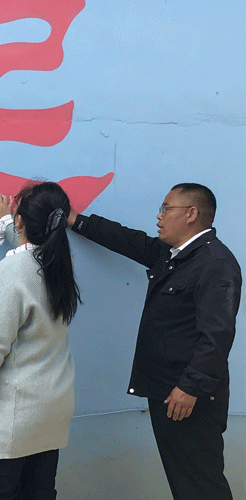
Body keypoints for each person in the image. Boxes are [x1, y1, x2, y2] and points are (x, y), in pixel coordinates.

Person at [67, 182, 241, 500]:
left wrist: (190, 387)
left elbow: (217, 335)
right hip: (169, 393)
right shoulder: (173, 256)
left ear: (191, 214)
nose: (159, 216)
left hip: (189, 398)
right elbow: (127, 240)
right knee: (186, 485)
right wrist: (75, 220)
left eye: (166, 208)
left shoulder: (214, 264)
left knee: (201, 485)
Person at [0, 181, 80, 500]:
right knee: (38, 492)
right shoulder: (57, 266)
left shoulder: (11, 273)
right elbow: (30, 258)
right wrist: (8, 224)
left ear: (21, 220)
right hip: (51, 409)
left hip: (14, 414)